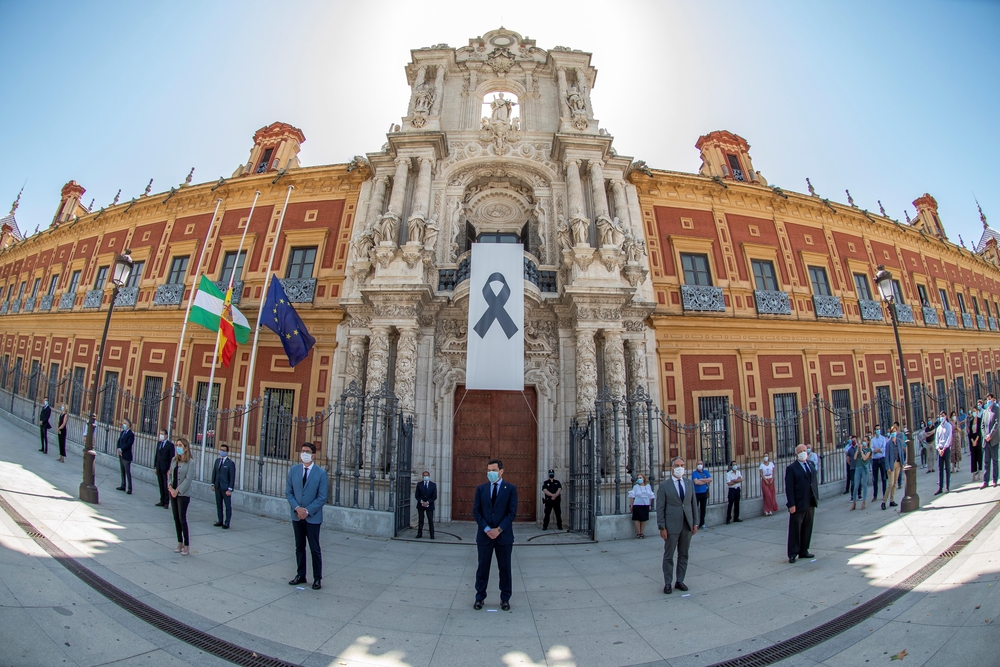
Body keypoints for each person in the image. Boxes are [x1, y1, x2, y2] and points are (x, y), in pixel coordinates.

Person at [472, 459, 518, 611]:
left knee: (504, 568)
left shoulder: (510, 488)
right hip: (485, 536)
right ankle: (479, 597)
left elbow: (511, 513)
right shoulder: (481, 489)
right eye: (488, 470)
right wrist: (487, 529)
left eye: (493, 470)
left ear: (501, 471)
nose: (490, 473)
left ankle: (505, 598)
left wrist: (498, 530)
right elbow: (476, 511)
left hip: (503, 536)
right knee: (482, 568)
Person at [286, 443, 327, 590]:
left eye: (307, 451)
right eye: (302, 451)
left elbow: (322, 497)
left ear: (314, 455)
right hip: (297, 515)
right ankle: (301, 574)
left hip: (312, 517)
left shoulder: (321, 473)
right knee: (299, 546)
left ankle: (317, 578)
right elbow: (288, 492)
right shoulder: (294, 470)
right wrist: (297, 508)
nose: (304, 454)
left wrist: (307, 511)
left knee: (314, 548)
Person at [656, 457, 698, 594]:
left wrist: (695, 522)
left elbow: (693, 505)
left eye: (682, 465)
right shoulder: (664, 486)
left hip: (687, 524)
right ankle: (667, 582)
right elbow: (660, 508)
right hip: (671, 526)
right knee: (669, 555)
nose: (680, 468)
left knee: (684, 554)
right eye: (677, 465)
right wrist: (662, 526)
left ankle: (680, 580)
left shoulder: (689, 483)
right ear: (672, 468)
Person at [785, 444, 819, 564]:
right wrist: (791, 504)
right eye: (801, 451)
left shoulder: (810, 464)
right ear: (796, 454)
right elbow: (789, 488)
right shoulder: (792, 468)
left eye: (805, 450)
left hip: (810, 501)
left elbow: (813, 482)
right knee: (795, 528)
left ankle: (804, 550)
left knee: (807, 527)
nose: (803, 452)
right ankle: (793, 553)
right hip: (798, 503)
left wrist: (816, 496)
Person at [168, 438, 192, 556]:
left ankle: (186, 545)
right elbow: (170, 475)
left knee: (182, 518)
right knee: (175, 518)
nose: (178, 447)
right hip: (173, 492)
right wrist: (170, 487)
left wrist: (177, 490)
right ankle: (179, 542)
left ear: (186, 448)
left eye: (180, 445)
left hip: (183, 494)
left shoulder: (190, 462)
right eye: (177, 445)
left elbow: (188, 479)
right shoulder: (174, 460)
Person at [211, 444, 236, 528]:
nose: (222, 451)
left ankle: (227, 522)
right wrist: (212, 484)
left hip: (225, 488)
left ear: (227, 452)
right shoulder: (217, 461)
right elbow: (214, 473)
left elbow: (232, 477)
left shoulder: (230, 463)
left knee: (227, 506)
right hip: (218, 486)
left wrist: (230, 489)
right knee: (219, 505)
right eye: (221, 450)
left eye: (224, 450)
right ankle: (220, 520)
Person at [882, 425, 903, 510]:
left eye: (895, 431)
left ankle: (892, 500)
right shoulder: (888, 444)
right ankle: (884, 501)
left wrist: (902, 463)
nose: (894, 433)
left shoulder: (899, 441)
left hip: (898, 463)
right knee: (890, 484)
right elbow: (886, 456)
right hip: (891, 464)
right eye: (892, 432)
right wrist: (888, 468)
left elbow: (901, 452)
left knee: (894, 483)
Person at [154, 429, 175, 508]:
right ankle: (162, 500)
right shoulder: (159, 443)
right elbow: (156, 456)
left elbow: (172, 458)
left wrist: (170, 469)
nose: (161, 435)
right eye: (160, 434)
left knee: (166, 485)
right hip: (159, 467)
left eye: (162, 434)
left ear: (166, 435)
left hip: (166, 468)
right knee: (160, 484)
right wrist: (155, 466)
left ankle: (166, 501)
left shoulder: (170, 445)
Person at [983, 393, 1000, 488]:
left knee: (995, 461)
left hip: (994, 440)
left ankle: (994, 479)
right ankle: (985, 481)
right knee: (986, 462)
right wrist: (985, 436)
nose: (989, 401)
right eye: (987, 399)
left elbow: (997, 423)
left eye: (990, 399)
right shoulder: (985, 411)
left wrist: (991, 435)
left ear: (993, 399)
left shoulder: (996, 409)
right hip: (986, 441)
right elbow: (982, 426)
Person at [415, 469, 437, 539]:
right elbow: (417, 495)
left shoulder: (433, 485)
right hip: (421, 505)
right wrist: (422, 502)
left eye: (427, 475)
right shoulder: (419, 484)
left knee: (430, 520)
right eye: (424, 475)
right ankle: (419, 533)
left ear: (429, 476)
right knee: (421, 520)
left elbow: (434, 496)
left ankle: (432, 535)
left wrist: (427, 502)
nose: (425, 477)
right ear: (422, 476)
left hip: (429, 505)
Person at [934, 410, 952, 495]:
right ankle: (940, 487)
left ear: (946, 416)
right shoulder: (938, 428)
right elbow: (936, 440)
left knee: (947, 468)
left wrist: (944, 449)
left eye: (943, 415)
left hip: (946, 449)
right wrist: (938, 449)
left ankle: (947, 486)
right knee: (940, 468)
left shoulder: (948, 426)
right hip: (940, 449)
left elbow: (949, 438)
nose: (942, 417)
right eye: (941, 416)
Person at [852, 437, 872, 511]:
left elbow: (864, 458)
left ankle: (864, 501)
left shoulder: (869, 450)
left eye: (865, 441)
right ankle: (854, 502)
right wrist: (858, 449)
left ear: (867, 442)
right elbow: (854, 457)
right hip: (858, 467)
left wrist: (861, 450)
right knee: (856, 485)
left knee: (864, 484)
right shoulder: (859, 448)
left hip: (865, 467)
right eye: (863, 441)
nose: (863, 442)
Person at [115, 418, 134, 494]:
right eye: (123, 423)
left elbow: (129, 444)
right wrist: (118, 448)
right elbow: (119, 441)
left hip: (126, 455)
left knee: (127, 471)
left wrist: (122, 449)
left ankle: (130, 488)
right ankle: (123, 485)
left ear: (129, 425)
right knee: (122, 471)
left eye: (125, 423)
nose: (123, 424)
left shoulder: (131, 434)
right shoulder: (122, 432)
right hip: (121, 454)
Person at [869, 426, 888, 503]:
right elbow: (872, 450)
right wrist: (878, 449)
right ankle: (875, 495)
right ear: (874, 431)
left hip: (882, 459)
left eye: (879, 429)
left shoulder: (883, 438)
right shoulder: (872, 440)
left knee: (884, 478)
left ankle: (884, 494)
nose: (878, 430)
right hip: (875, 460)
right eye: (876, 429)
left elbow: (884, 449)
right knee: (875, 479)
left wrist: (878, 450)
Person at [691, 460, 711, 529]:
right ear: (696, 465)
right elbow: (696, 482)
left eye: (701, 464)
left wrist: (701, 480)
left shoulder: (706, 472)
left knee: (703, 509)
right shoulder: (694, 473)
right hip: (696, 493)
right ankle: (694, 523)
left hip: (704, 492)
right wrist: (705, 480)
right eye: (698, 464)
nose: (700, 465)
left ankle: (702, 523)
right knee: (695, 509)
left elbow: (710, 479)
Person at [970, 399, 984, 483]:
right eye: (973, 412)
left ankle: (980, 473)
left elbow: (979, 431)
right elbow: (970, 432)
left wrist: (976, 440)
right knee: (973, 457)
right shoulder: (971, 422)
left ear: (977, 412)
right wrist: (972, 440)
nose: (974, 413)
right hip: (973, 441)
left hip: (978, 440)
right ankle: (974, 473)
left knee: (979, 456)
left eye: (975, 411)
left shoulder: (979, 420)